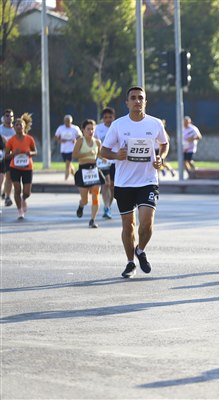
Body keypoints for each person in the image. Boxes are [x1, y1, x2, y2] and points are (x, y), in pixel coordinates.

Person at [100, 86, 169, 279]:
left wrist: (161, 157)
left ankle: (140, 249)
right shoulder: (118, 125)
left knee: (146, 223)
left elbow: (164, 143)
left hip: (148, 180)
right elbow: (103, 151)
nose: (137, 101)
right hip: (124, 183)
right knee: (128, 225)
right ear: (127, 102)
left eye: (140, 98)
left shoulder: (155, 123)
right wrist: (116, 155)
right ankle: (130, 262)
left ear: (145, 102)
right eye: (133, 98)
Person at [73, 119, 105, 228]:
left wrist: (103, 158)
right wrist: (87, 153)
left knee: (96, 196)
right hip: (83, 170)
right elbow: (74, 155)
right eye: (88, 129)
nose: (91, 131)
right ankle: (81, 205)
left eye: (92, 129)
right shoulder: (80, 141)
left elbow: (99, 154)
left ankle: (92, 220)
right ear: (83, 130)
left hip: (94, 170)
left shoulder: (97, 142)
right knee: (85, 200)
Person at [5, 113, 37, 220]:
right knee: (17, 189)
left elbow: (35, 151)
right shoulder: (11, 140)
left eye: (20, 125)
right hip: (15, 167)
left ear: (24, 126)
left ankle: (23, 199)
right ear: (14, 127)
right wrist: (13, 154)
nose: (19, 126)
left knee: (27, 192)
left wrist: (30, 153)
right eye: (17, 125)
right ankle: (20, 211)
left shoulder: (29, 139)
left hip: (27, 167)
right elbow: (6, 156)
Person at [94, 107, 116, 219]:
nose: (108, 119)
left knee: (112, 186)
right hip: (103, 161)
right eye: (105, 117)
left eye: (110, 117)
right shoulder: (98, 128)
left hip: (115, 160)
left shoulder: (117, 127)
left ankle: (109, 206)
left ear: (113, 117)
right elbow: (94, 143)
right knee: (106, 184)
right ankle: (106, 207)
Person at [55, 115, 82, 180]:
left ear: (71, 121)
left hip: (72, 149)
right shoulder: (61, 128)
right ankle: (76, 177)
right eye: (66, 121)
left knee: (67, 164)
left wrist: (76, 140)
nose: (67, 123)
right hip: (63, 149)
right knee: (69, 164)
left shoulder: (75, 128)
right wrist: (60, 140)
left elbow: (80, 136)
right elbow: (56, 136)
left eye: (68, 121)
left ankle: (66, 179)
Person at [1, 109, 16, 207]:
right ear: (3, 117)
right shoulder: (0, 129)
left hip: (11, 157)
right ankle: (3, 193)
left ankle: (7, 197)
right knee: (1, 178)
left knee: (9, 177)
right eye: (7, 116)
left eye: (11, 116)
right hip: (1, 157)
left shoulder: (16, 130)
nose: (9, 118)